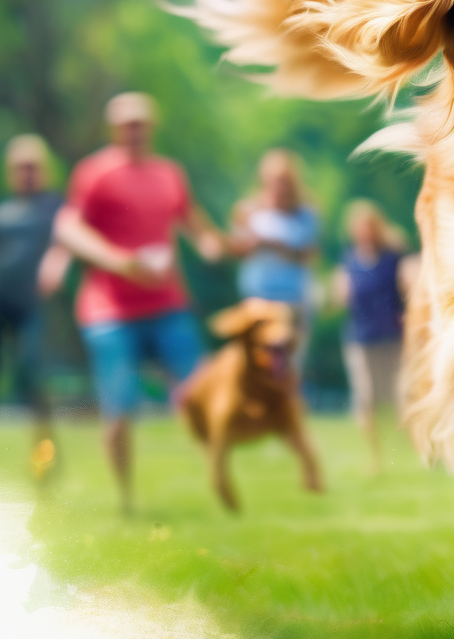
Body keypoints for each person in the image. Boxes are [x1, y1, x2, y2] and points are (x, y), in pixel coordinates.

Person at [54, 92, 225, 512]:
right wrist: (119, 261)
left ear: (151, 127)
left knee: (202, 394)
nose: (134, 130)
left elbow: (192, 219)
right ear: (113, 128)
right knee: (120, 407)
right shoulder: (94, 173)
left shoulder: (169, 173)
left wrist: (208, 243)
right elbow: (70, 229)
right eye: (125, 124)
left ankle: (219, 482)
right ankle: (125, 498)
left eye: (140, 123)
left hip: (168, 303)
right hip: (109, 311)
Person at [0, 135, 70, 475]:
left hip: (33, 306)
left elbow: (68, 241)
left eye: (32, 167)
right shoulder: (5, 210)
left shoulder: (56, 208)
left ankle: (45, 452)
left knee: (33, 376)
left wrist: (57, 262)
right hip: (3, 301)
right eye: (19, 167)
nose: (26, 173)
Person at [332, 200, 417, 472]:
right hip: (361, 337)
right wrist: (337, 292)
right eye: (360, 227)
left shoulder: (393, 258)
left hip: (392, 334)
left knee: (398, 395)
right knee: (367, 398)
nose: (365, 232)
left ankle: (408, 453)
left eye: (369, 226)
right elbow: (338, 295)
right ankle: (376, 457)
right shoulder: (348, 261)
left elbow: (408, 286)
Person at [227, 148, 319, 366]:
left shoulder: (305, 213)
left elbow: (309, 255)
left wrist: (274, 244)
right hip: (258, 296)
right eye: (273, 180)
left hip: (292, 298)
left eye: (284, 181)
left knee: (289, 360)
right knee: (257, 360)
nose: (279, 186)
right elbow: (235, 250)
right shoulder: (248, 210)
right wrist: (250, 242)